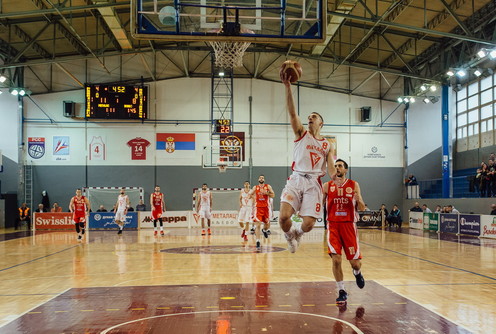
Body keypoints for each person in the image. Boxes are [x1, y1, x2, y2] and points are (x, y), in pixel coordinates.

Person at [279, 73, 335, 253]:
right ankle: (289, 236)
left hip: (313, 182)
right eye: (309, 116)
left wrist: (335, 176)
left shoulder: (328, 144)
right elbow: (292, 112)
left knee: (309, 224)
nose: (310, 118)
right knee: (283, 217)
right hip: (296, 179)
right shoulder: (301, 133)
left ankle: (299, 233)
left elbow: (331, 166)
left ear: (321, 123)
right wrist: (288, 86)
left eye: (314, 116)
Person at [323, 159, 365, 304]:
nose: (337, 168)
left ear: (346, 170)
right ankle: (341, 290)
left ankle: (357, 273)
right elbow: (318, 203)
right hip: (333, 225)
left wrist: (359, 200)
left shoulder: (354, 185)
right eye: (335, 166)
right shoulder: (327, 186)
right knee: (336, 259)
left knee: (355, 263)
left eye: (340, 166)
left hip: (349, 226)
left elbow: (362, 208)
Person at [253, 175, 275, 242]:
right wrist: (252, 198)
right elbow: (250, 194)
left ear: (264, 180)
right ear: (258, 179)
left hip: (266, 208)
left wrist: (267, 193)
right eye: (260, 178)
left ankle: (265, 230)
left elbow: (273, 195)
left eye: (262, 178)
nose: (261, 179)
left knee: (267, 224)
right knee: (258, 224)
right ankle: (258, 241)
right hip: (258, 207)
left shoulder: (268, 186)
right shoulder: (255, 187)